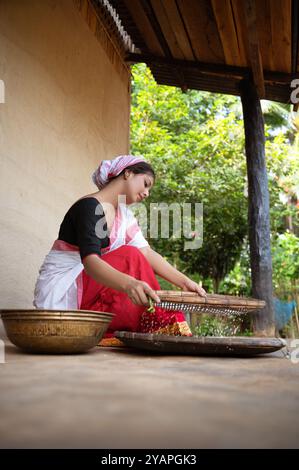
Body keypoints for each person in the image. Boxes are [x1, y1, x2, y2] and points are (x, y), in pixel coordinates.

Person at [33, 155, 206, 344]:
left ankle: (145, 330)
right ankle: (163, 328)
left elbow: (146, 253)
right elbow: (91, 263)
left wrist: (184, 282)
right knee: (129, 257)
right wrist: (130, 284)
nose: (147, 193)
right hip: (64, 289)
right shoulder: (89, 206)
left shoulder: (124, 216)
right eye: (146, 183)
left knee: (134, 258)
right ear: (128, 173)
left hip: (89, 287)